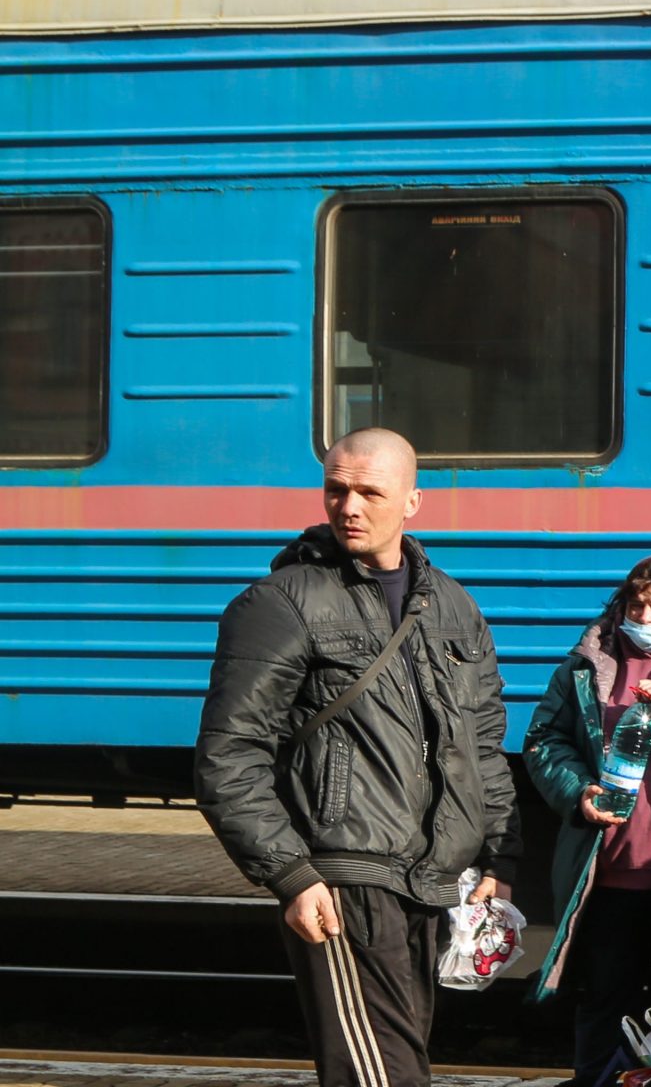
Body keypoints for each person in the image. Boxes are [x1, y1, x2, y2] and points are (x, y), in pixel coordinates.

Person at [195, 427, 517, 1087]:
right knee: (383, 1077)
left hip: (431, 881)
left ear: (412, 501)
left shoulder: (452, 606)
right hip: (342, 875)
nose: (350, 507)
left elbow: (481, 745)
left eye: (370, 492)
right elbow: (230, 755)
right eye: (336, 490)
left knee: (395, 1067)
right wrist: (291, 873)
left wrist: (499, 856)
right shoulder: (283, 603)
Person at [523, 555, 651, 1086]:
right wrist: (576, 792)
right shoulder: (589, 662)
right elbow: (545, 739)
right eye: (637, 604)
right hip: (607, 870)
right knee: (604, 998)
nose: (646, 616)